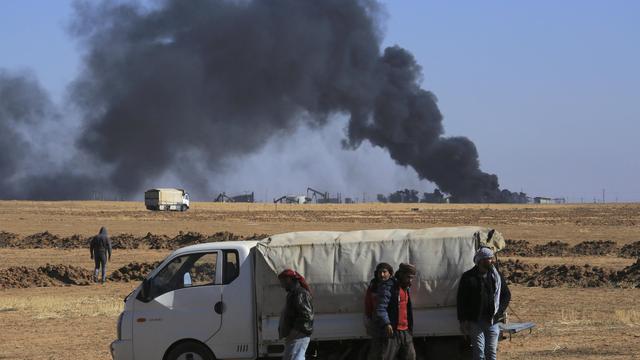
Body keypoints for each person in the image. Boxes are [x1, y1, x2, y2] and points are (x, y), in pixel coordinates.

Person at [457, 247, 511, 360]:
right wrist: (463, 320)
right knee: (479, 353)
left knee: (491, 352)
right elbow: (461, 300)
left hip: (493, 320)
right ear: (481, 260)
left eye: (492, 258)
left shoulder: (496, 276)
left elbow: (506, 295)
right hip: (476, 321)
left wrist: (499, 310)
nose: (492, 261)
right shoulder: (468, 277)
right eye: (489, 258)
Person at [371, 263, 417, 360]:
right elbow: (381, 308)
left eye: (412, 278)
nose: (410, 280)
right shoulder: (388, 286)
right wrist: (387, 323)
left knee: (410, 356)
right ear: (401, 274)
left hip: (405, 331)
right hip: (392, 332)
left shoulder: (405, 288)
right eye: (408, 277)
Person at [278, 269, 314, 360]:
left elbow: (307, 315)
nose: (282, 285)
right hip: (295, 334)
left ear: (289, 279)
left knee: (295, 357)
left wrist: (295, 331)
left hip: (299, 335)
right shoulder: (293, 293)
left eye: (282, 281)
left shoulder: (300, 293)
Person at [364, 263, 394, 336]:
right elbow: (368, 302)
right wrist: (368, 316)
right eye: (380, 272)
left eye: (384, 272)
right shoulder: (373, 285)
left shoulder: (394, 286)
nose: (382, 274)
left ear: (390, 273)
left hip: (391, 321)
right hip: (376, 321)